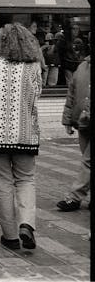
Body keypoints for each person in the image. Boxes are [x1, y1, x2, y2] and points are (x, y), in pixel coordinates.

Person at [0, 23, 42, 250]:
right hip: (26, 133)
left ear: (3, 42)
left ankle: (9, 236)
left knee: (3, 183)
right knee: (26, 180)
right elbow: (37, 96)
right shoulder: (34, 67)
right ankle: (26, 224)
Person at [57, 53, 90, 212]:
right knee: (87, 160)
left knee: (88, 162)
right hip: (83, 123)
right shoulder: (82, 67)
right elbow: (71, 94)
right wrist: (68, 120)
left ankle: (75, 197)